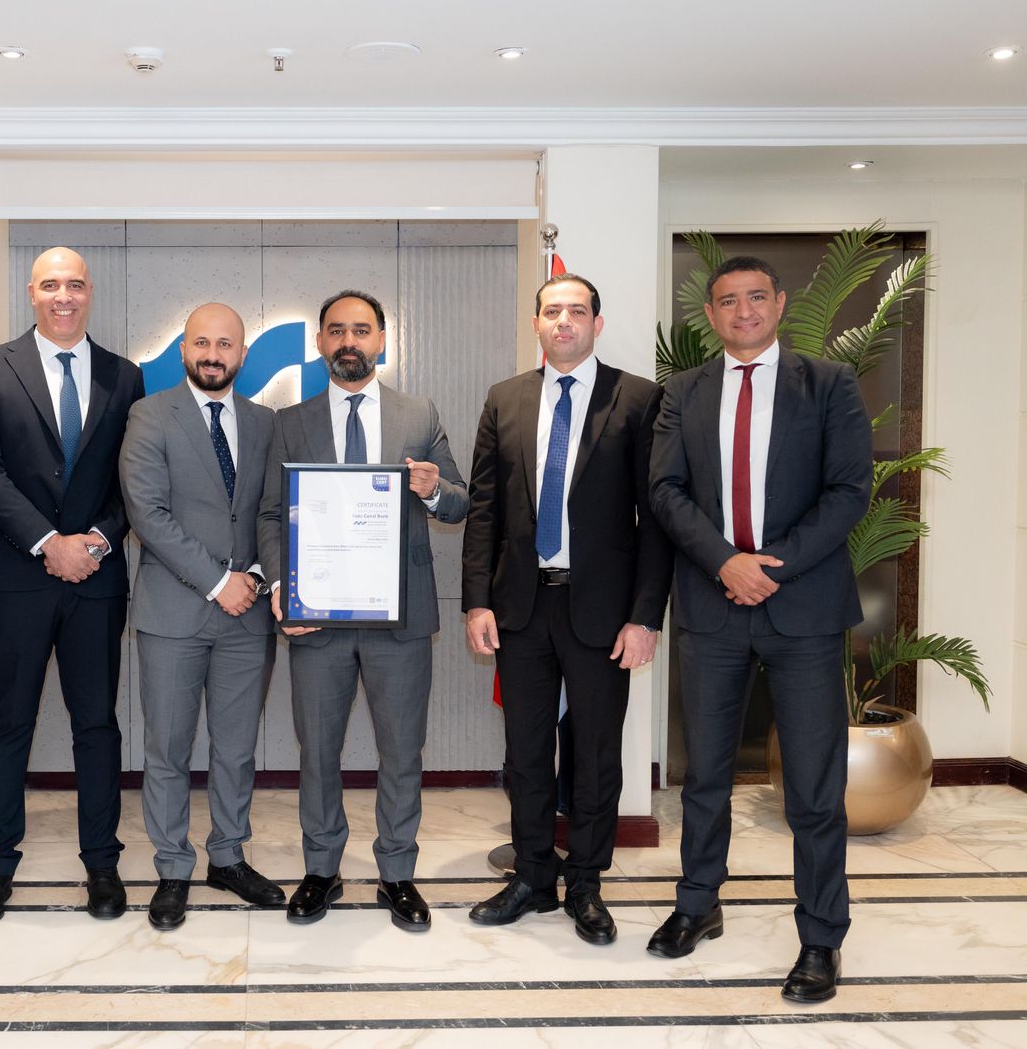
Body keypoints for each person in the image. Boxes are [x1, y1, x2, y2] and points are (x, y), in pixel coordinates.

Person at [649, 255, 872, 1003]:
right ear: (710, 314)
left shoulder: (829, 383)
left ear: (779, 303)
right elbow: (665, 489)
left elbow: (849, 490)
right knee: (705, 775)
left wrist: (770, 567)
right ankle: (697, 905)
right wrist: (725, 563)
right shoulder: (684, 391)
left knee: (813, 786)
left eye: (754, 297)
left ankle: (821, 937)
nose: (741, 311)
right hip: (712, 608)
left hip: (804, 610)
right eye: (726, 301)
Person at [460, 274, 673, 944]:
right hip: (521, 608)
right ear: (536, 323)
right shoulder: (505, 399)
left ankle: (585, 882)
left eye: (577, 311)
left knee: (596, 755)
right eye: (552, 311)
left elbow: (655, 519)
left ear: (596, 324)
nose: (564, 322)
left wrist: (646, 616)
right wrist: (476, 602)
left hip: (603, 614)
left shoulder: (637, 398)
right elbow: (485, 511)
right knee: (525, 753)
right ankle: (531, 875)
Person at [256, 289, 468, 932]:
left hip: (399, 619)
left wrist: (432, 491)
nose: (349, 341)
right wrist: (281, 585)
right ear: (320, 342)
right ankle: (321, 870)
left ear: (381, 340)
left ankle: (397, 873)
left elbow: (461, 501)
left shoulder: (418, 413)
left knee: (402, 750)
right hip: (317, 616)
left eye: (362, 330)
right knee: (318, 751)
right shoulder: (289, 421)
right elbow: (271, 515)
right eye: (337, 330)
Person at [0, 247, 145, 926]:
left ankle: (102, 862)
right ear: (31, 293)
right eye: (50, 285)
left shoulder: (125, 376)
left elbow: (134, 479)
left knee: (97, 724)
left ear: (89, 292)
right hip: (14, 577)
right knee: (9, 720)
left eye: (74, 285)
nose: (63, 296)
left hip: (96, 577)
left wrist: (94, 539)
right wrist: (49, 542)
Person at [119, 302, 284, 931]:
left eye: (225, 344)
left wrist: (258, 578)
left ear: (242, 354)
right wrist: (219, 583)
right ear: (183, 349)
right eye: (201, 343)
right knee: (167, 747)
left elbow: (272, 512)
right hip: (174, 612)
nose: (213, 354)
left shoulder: (265, 422)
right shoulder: (149, 414)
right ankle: (171, 867)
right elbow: (148, 513)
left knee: (236, 748)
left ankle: (228, 857)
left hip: (248, 615)